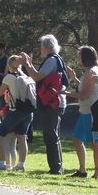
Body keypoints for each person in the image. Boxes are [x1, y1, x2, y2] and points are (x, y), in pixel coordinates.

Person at [21, 34, 68, 175]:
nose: (40, 49)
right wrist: (28, 64)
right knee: (53, 135)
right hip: (56, 102)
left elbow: (36, 77)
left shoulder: (51, 60)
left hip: (52, 103)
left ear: (47, 47)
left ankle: (56, 169)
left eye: (41, 46)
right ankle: (57, 167)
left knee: (50, 135)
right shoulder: (58, 59)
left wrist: (27, 64)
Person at [0, 55, 34, 170]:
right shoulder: (26, 76)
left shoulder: (8, 77)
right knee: (22, 137)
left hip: (15, 112)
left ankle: (2, 164)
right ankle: (21, 165)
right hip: (28, 112)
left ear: (9, 65)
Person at [66, 46, 98, 179]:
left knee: (96, 143)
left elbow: (84, 94)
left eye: (79, 55)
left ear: (85, 57)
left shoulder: (91, 71)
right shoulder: (90, 71)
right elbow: (85, 87)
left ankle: (97, 173)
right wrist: (74, 78)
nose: (78, 58)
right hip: (85, 111)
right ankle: (82, 170)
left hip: (91, 112)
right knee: (77, 139)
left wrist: (66, 93)